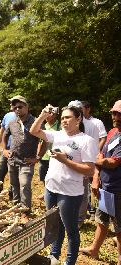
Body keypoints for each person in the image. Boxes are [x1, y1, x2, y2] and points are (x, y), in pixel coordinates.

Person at [30, 105, 98, 265]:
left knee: (71, 230)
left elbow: (89, 170)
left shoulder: (86, 141)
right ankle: (54, 257)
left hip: (70, 193)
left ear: (79, 119)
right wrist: (42, 115)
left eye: (68, 117)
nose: (64, 121)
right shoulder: (58, 135)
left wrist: (65, 160)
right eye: (62, 118)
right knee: (55, 226)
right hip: (51, 189)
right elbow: (34, 131)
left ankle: (69, 262)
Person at [80, 100, 121, 265]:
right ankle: (94, 249)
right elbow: (102, 158)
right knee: (102, 219)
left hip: (118, 190)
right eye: (114, 113)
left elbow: (114, 162)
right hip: (106, 187)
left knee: (119, 227)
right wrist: (96, 179)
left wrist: (98, 160)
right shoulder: (112, 132)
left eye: (120, 114)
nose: (116, 116)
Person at [3, 95, 45, 222]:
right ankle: (17, 208)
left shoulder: (35, 122)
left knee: (25, 185)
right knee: (14, 185)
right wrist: (4, 149)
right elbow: (5, 136)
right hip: (12, 160)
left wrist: (38, 157)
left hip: (27, 161)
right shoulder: (12, 123)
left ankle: (25, 212)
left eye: (20, 107)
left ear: (27, 107)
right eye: (14, 107)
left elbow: (46, 141)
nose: (17, 109)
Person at [68, 100, 101, 225]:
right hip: (70, 164)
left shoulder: (92, 125)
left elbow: (95, 146)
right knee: (72, 192)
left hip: (85, 164)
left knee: (84, 193)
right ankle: (72, 217)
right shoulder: (68, 124)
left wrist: (91, 166)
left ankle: (81, 218)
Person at [0, 103, 16, 195]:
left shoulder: (25, 118)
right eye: (12, 103)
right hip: (5, 150)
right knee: (0, 171)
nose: (12, 105)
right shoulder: (7, 116)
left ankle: (12, 194)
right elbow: (1, 131)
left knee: (13, 174)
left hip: (18, 151)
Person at [36, 109, 60, 198]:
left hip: (54, 156)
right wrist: (38, 154)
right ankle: (46, 192)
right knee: (43, 175)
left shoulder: (60, 126)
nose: (47, 115)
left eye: (50, 114)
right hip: (44, 156)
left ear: (55, 115)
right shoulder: (43, 125)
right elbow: (40, 141)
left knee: (54, 177)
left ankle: (54, 194)